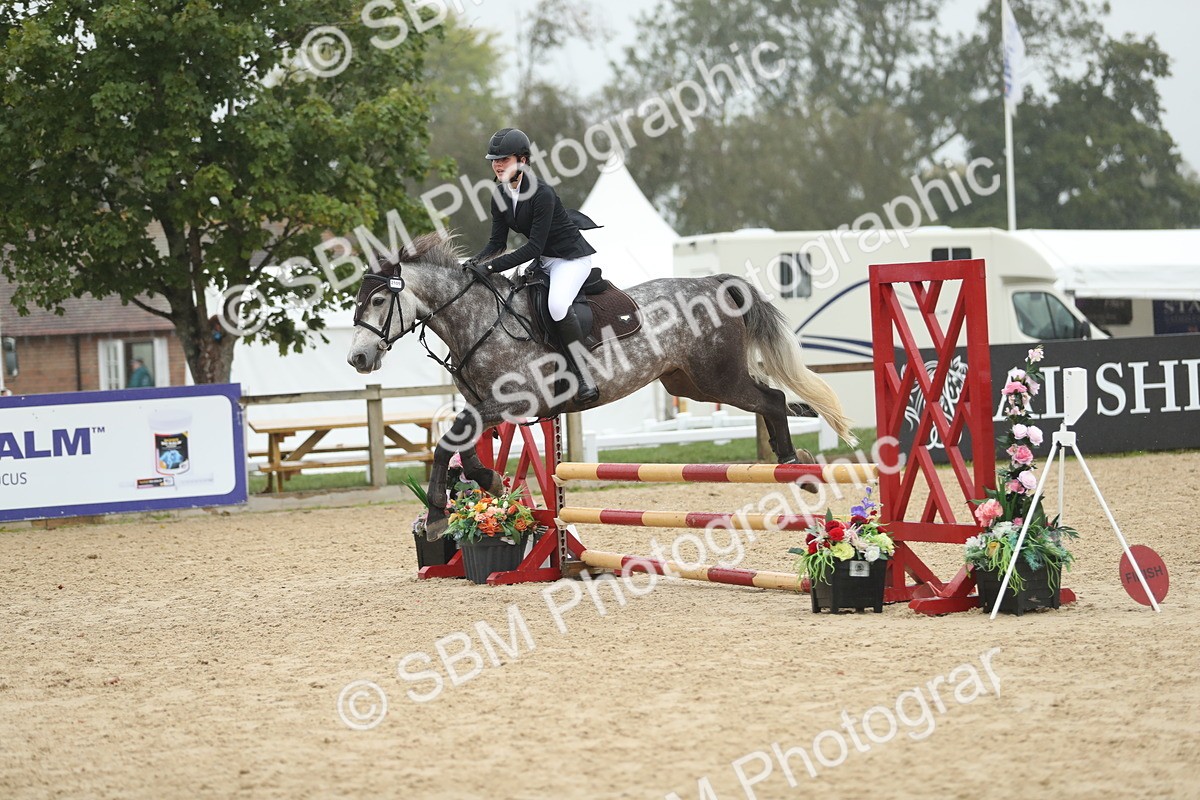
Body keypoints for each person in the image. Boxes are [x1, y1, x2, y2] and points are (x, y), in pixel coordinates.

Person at [463, 127, 600, 404]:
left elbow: (533, 247)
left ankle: (583, 375)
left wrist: (491, 269)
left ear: (523, 161)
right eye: (494, 159)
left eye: (504, 159)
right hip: (544, 261)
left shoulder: (541, 194)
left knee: (557, 306)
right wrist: (474, 262)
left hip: (569, 259)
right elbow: (497, 243)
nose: (497, 164)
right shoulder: (499, 195)